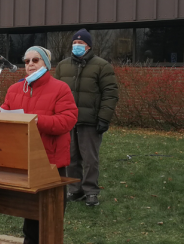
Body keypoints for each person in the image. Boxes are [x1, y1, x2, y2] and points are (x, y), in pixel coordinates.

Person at [0, 46, 78, 244]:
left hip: (51, 163)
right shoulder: (14, 89)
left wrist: (37, 121)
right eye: (27, 61)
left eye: (36, 60)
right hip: (24, 161)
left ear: (46, 64)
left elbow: (67, 120)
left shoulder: (61, 88)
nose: (30, 64)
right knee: (31, 221)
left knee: (50, 219)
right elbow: (5, 116)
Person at [54, 28, 119, 206]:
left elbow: (110, 94)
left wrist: (104, 118)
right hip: (68, 121)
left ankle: (91, 191)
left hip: (90, 121)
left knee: (90, 159)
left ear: (88, 46)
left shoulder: (102, 65)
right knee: (71, 158)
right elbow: (56, 93)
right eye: (74, 43)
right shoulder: (62, 66)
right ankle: (75, 190)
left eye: (80, 43)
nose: (76, 46)